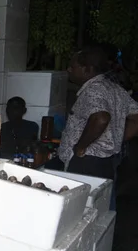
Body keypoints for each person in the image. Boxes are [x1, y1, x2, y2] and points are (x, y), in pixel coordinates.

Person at [59, 46, 138, 182]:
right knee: (98, 201)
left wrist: (80, 147)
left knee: (82, 202)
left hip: (86, 163)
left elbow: (101, 118)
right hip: (105, 163)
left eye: (73, 66)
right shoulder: (115, 89)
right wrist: (116, 137)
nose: (69, 70)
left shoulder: (93, 90)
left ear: (87, 69)